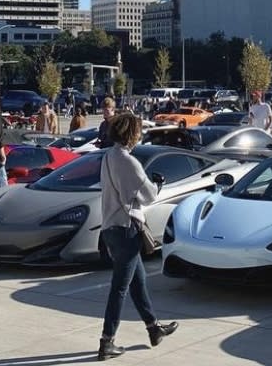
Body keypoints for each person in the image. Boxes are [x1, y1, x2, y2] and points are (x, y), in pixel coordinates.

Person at [97, 113, 178, 360]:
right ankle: (106, 341)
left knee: (138, 281)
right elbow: (149, 196)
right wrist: (157, 184)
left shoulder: (108, 156)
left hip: (110, 226)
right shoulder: (128, 161)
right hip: (126, 228)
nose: (140, 135)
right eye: (139, 131)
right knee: (120, 287)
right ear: (132, 134)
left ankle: (154, 328)